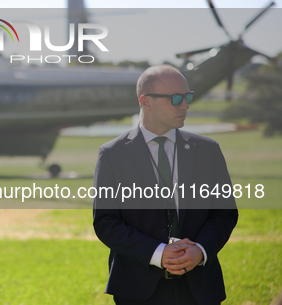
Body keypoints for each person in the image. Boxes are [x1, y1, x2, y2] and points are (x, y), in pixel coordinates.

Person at [93, 65, 238, 305]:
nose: (185, 105)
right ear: (145, 102)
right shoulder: (112, 154)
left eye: (187, 96)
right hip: (136, 290)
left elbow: (225, 213)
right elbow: (106, 222)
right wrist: (158, 254)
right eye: (176, 99)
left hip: (200, 288)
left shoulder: (207, 150)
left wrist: (200, 251)